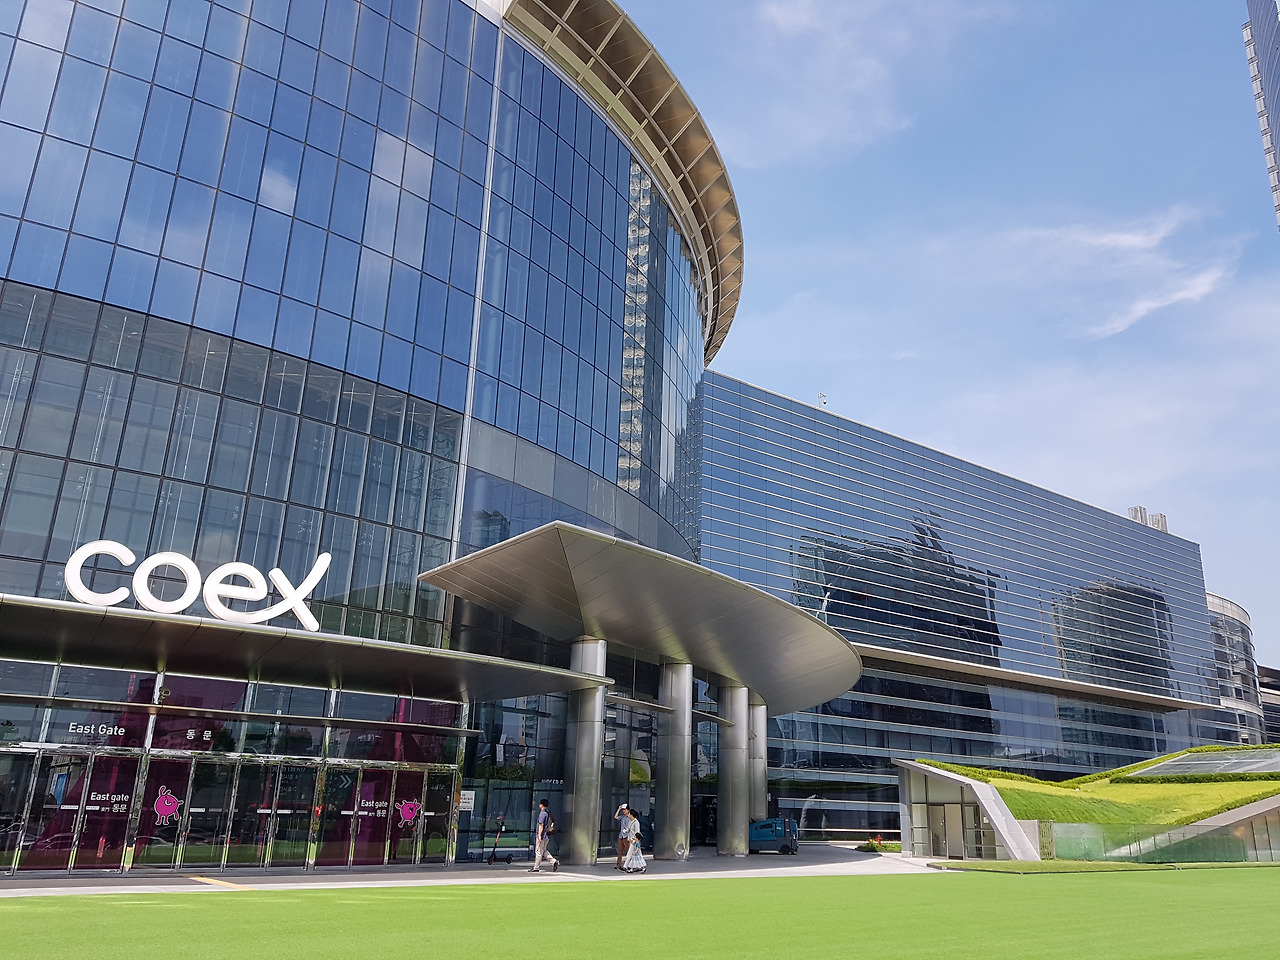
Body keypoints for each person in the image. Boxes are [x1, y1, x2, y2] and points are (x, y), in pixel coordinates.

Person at [529, 798, 559, 872]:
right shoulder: (547, 813)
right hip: (546, 836)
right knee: (543, 851)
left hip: (542, 836)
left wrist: (539, 835)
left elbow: (541, 825)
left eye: (540, 804)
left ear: (541, 805)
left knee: (538, 851)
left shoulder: (542, 814)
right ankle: (554, 861)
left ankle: (536, 867)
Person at [621, 809, 645, 874]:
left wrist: (634, 839)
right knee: (634, 855)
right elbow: (628, 829)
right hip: (631, 839)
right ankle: (636, 867)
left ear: (631, 815)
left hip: (634, 840)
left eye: (629, 813)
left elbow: (637, 832)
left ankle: (626, 866)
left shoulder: (636, 822)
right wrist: (625, 831)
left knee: (631, 854)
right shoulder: (630, 821)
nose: (628, 815)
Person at [613, 803, 632, 870]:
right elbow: (615, 817)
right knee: (620, 851)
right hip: (621, 835)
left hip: (626, 836)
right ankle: (618, 864)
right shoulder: (622, 817)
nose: (623, 811)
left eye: (625, 809)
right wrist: (619, 809)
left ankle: (629, 864)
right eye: (623, 810)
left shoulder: (630, 818)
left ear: (628, 810)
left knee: (628, 851)